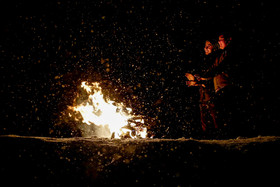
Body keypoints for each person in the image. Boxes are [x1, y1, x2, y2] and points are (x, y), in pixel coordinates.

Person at [203, 33, 236, 138]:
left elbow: (220, 68)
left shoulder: (229, 53)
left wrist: (205, 75)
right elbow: (213, 68)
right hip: (220, 88)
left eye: (221, 39)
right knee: (219, 111)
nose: (219, 42)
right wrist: (200, 78)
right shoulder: (221, 54)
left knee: (224, 111)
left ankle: (228, 134)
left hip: (226, 86)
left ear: (228, 40)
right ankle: (224, 133)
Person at [185, 39, 218, 138]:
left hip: (211, 95)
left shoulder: (216, 59)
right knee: (204, 119)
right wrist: (195, 81)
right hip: (203, 95)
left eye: (209, 45)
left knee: (214, 118)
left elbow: (212, 76)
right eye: (205, 46)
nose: (206, 48)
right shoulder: (205, 60)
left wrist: (199, 81)